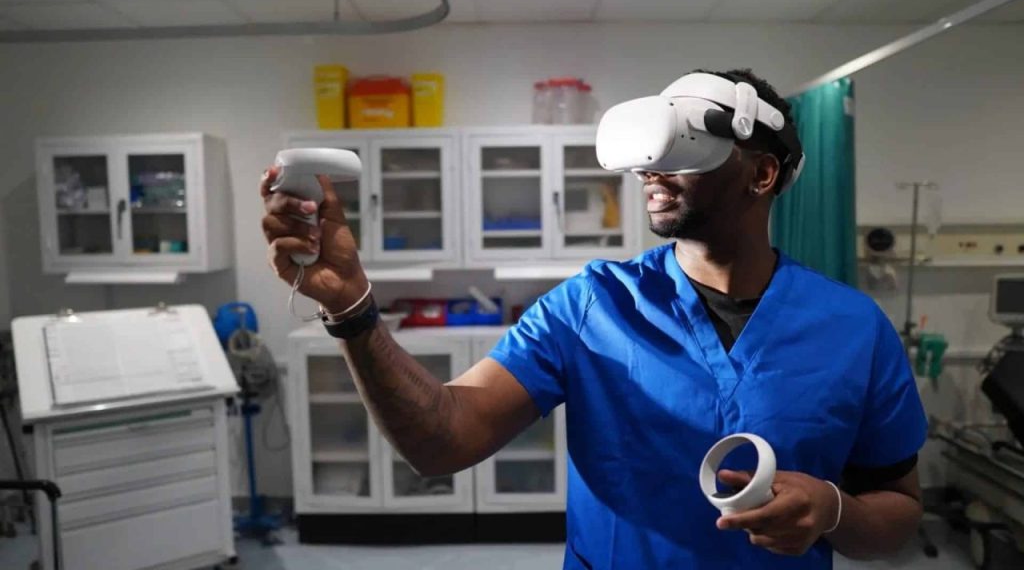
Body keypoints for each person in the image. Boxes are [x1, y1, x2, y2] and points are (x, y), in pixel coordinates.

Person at [261, 68, 927, 569]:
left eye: (684, 150)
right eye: (650, 155)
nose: (652, 171)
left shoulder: (852, 329)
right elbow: (442, 441)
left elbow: (897, 511)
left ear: (761, 175)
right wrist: (350, 305)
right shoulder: (591, 306)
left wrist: (833, 510)